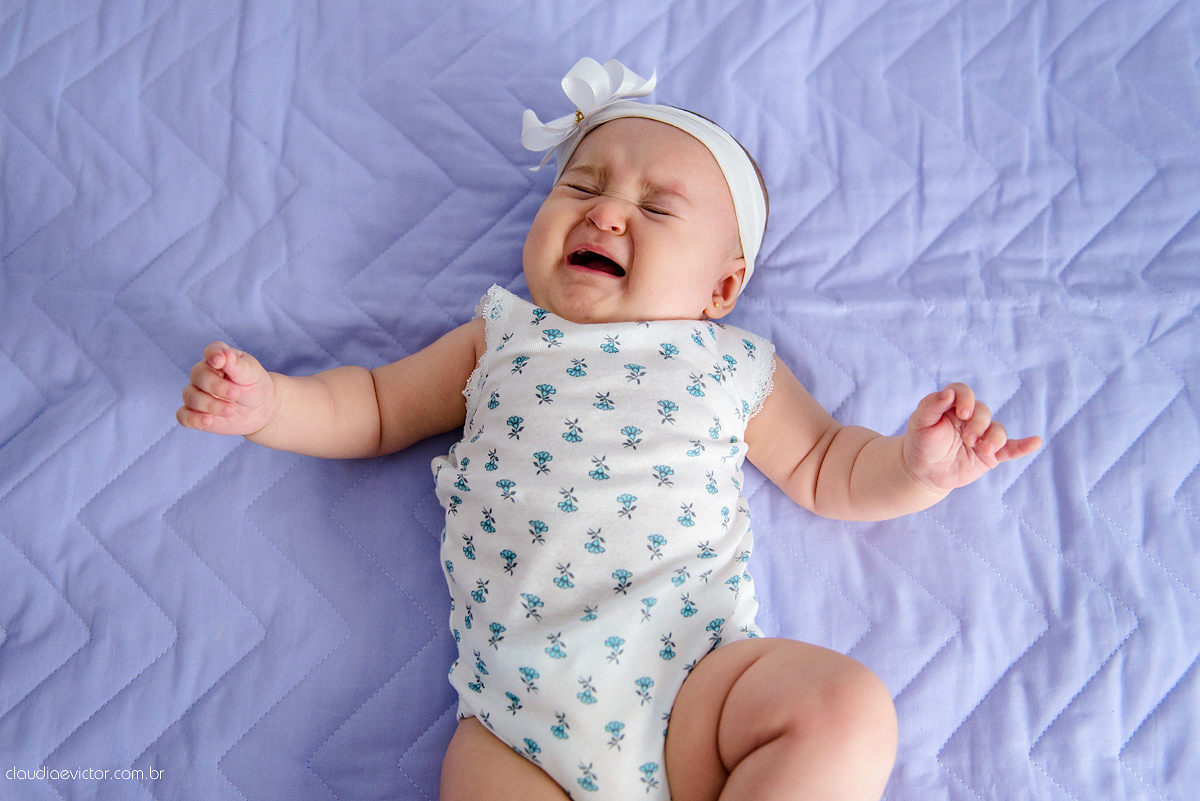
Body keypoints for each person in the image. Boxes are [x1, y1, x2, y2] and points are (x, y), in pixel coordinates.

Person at [177, 58, 1041, 801]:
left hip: (694, 683)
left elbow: (825, 464)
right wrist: (273, 407)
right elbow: (372, 404)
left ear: (721, 288)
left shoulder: (730, 362)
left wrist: (915, 465)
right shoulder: (501, 335)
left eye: (657, 210)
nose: (606, 213)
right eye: (582, 186)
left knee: (847, 707)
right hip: (516, 723)